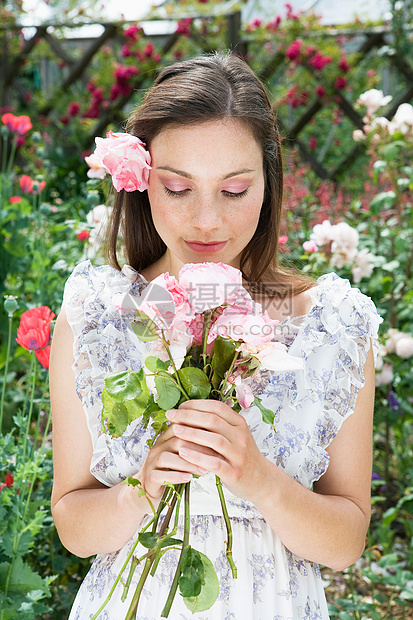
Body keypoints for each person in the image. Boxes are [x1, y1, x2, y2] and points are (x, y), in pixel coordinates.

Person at [49, 50, 382, 620]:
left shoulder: (330, 325)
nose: (207, 220)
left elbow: (346, 542)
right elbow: (75, 528)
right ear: (142, 182)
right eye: (178, 188)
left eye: (233, 191)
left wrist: (260, 479)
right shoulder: (99, 317)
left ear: (268, 184)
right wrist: (144, 487)